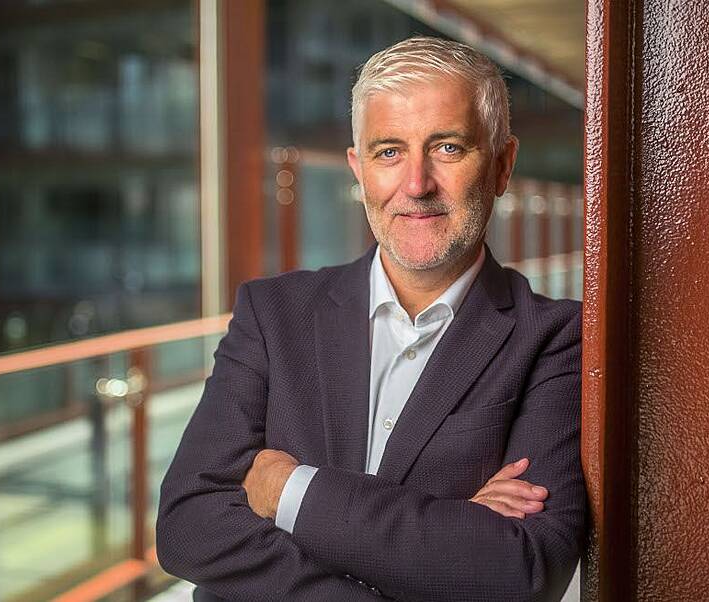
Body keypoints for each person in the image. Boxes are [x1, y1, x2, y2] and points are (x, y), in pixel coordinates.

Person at [156, 36, 585, 601]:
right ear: (359, 172)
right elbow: (187, 527)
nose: (416, 185)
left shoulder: (556, 338)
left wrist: (288, 490)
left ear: (502, 166)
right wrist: (443, 538)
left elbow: (520, 572)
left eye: (448, 148)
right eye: (389, 152)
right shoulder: (272, 313)